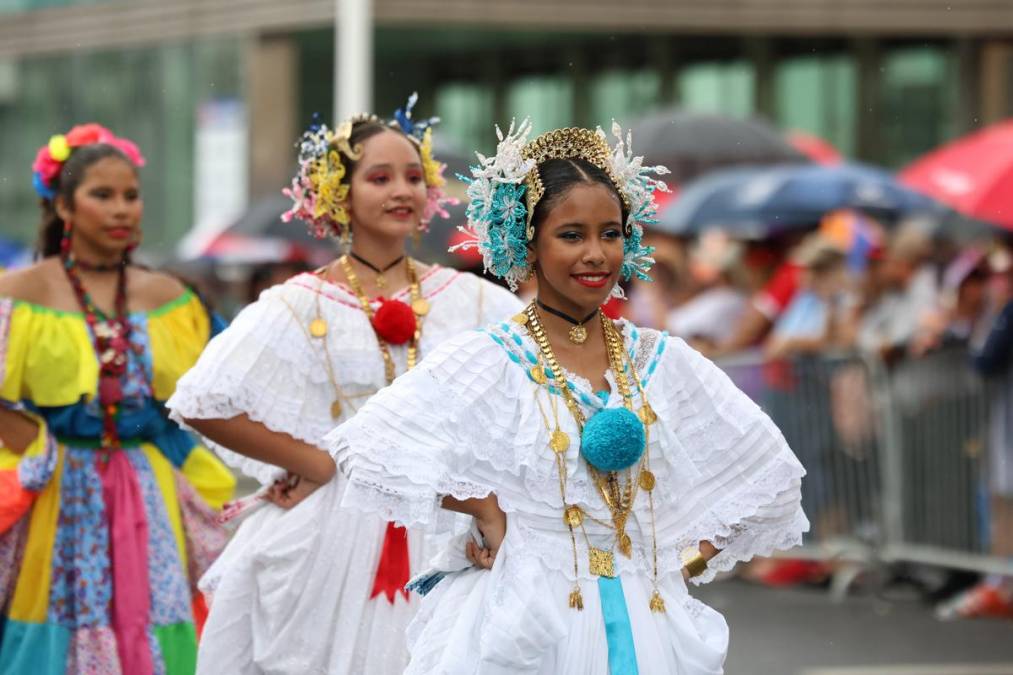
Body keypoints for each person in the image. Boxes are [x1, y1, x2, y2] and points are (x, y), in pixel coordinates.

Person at [321, 121, 808, 673]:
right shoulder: (492, 357)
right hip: (529, 620)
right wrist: (486, 507)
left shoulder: (657, 359)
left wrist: (678, 562)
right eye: (572, 235)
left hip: (648, 621)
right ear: (525, 241)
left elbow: (770, 474)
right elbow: (366, 449)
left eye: (611, 233)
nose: (597, 254)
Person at [166, 98, 522, 674]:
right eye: (379, 177)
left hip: (442, 514)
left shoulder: (473, 300)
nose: (401, 190)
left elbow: (532, 389)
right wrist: (315, 461)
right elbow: (200, 400)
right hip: (334, 528)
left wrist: (491, 502)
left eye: (413, 177)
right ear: (339, 193)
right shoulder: (297, 301)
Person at [0, 123, 235, 673]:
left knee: (158, 609)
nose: (122, 209)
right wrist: (30, 438)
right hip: (55, 487)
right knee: (55, 613)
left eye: (130, 195)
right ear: (63, 206)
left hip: (152, 484)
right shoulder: (19, 293)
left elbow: (236, 387)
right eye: (101, 195)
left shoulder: (172, 295)